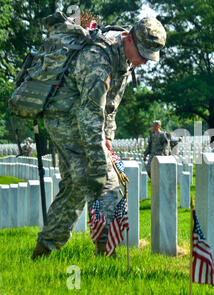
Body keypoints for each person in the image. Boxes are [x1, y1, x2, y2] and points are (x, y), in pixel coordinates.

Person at [31, 14, 167, 259]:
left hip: (84, 118)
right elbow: (89, 113)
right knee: (104, 180)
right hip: (65, 118)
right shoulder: (98, 58)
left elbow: (110, 108)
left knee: (75, 185)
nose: (144, 62)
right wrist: (98, 159)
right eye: (143, 55)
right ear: (130, 39)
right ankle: (106, 250)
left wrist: (108, 139)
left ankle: (44, 250)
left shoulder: (124, 60)